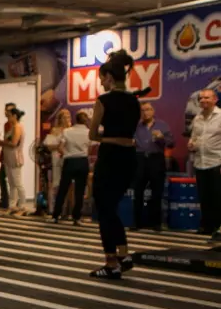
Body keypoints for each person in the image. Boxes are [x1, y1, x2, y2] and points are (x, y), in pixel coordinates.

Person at [89, 50, 141, 279]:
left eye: (102, 78)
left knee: (104, 209)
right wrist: (123, 140)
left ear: (109, 77)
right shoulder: (134, 100)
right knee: (111, 207)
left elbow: (93, 134)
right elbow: (129, 134)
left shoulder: (103, 101)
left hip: (110, 158)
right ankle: (124, 254)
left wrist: (109, 138)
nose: (101, 82)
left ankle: (111, 262)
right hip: (129, 158)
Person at [133, 102, 174, 231]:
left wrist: (161, 137)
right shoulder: (136, 127)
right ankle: (137, 223)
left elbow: (171, 143)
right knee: (138, 191)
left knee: (157, 191)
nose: (146, 113)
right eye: (143, 110)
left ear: (153, 111)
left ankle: (156, 223)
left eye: (148, 109)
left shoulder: (162, 125)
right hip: (140, 158)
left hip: (156, 159)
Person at [189, 89, 221, 240]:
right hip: (200, 162)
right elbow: (194, 137)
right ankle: (207, 226)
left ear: (215, 99)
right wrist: (191, 143)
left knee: (217, 197)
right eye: (201, 98)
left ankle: (218, 228)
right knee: (204, 197)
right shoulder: (197, 118)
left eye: (207, 98)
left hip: (217, 162)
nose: (203, 100)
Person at [53, 111, 92, 226]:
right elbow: (90, 148)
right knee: (79, 191)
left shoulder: (67, 131)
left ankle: (56, 215)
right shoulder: (89, 132)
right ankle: (76, 217)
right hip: (83, 161)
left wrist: (65, 153)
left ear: (76, 119)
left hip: (69, 162)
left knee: (63, 189)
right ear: (86, 121)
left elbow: (60, 147)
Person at [0, 105, 26, 214]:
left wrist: (0, 142)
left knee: (17, 182)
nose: (8, 118)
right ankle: (12, 205)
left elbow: (14, 143)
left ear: (15, 116)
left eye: (9, 116)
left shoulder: (17, 127)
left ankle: (22, 205)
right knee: (11, 183)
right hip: (9, 157)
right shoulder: (13, 127)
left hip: (15, 157)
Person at [44, 110, 72, 214]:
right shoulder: (55, 130)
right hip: (57, 157)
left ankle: (66, 208)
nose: (67, 119)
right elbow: (49, 146)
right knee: (56, 182)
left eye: (68, 116)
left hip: (68, 157)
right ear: (60, 119)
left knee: (68, 183)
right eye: (65, 117)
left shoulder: (71, 130)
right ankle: (53, 208)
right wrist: (60, 146)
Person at [0, 103, 17, 209]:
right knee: (3, 177)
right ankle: (6, 200)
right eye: (6, 110)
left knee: (12, 179)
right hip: (6, 154)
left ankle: (10, 201)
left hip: (12, 155)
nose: (7, 112)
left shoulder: (15, 125)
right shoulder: (6, 124)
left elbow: (12, 142)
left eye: (9, 110)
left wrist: (0, 142)